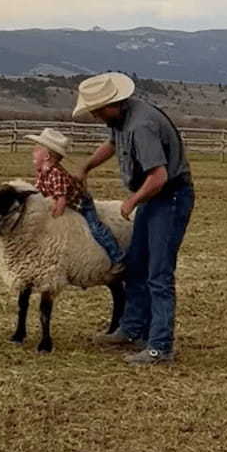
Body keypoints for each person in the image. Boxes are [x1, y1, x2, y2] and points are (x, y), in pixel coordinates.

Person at [73, 73, 194, 365]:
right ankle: (132, 328)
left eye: (99, 111)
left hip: (169, 197)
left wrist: (131, 201)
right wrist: (86, 166)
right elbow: (113, 144)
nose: (97, 117)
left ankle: (160, 347)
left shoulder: (142, 126)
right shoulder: (122, 119)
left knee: (158, 273)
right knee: (137, 266)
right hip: (154, 198)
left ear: (113, 103)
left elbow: (159, 176)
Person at [25, 127, 125, 266]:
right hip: (69, 201)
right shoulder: (42, 172)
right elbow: (39, 191)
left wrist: (56, 218)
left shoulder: (56, 174)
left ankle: (117, 255)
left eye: (36, 150)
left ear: (46, 156)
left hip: (82, 203)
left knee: (95, 227)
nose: (33, 152)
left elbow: (62, 199)